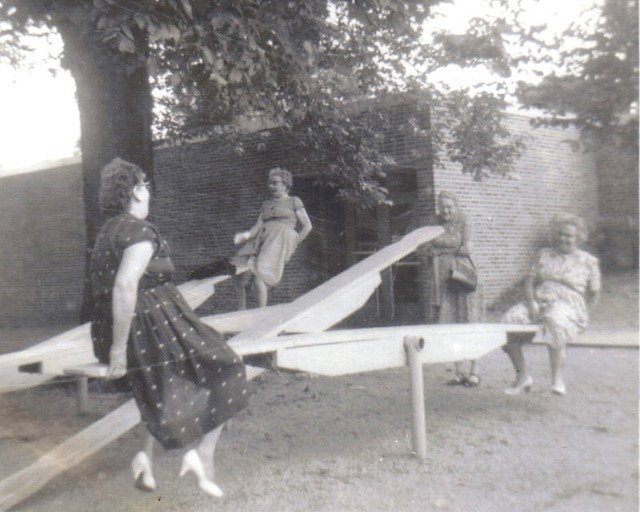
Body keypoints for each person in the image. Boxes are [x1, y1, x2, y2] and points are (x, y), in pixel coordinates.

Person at [90, 158, 248, 498]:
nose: (148, 193)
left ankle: (144, 458)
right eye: (144, 186)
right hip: (146, 325)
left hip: (124, 329)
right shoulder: (140, 232)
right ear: (134, 191)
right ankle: (203, 455)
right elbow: (123, 286)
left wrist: (115, 344)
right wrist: (118, 349)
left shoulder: (108, 230)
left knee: (162, 379)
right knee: (229, 366)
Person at [502, 213, 601, 396]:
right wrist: (531, 303)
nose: (563, 238)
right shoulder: (543, 254)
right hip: (540, 299)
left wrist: (586, 314)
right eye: (561, 234)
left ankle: (557, 379)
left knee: (555, 320)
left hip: (568, 302)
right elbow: (529, 282)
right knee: (508, 321)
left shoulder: (588, 261)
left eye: (569, 235)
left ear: (578, 237)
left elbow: (594, 292)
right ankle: (522, 376)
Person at [231, 167, 312, 309]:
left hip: (278, 242)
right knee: (240, 273)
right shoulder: (266, 204)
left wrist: (293, 243)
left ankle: (262, 314)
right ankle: (240, 313)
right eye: (270, 183)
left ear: (285, 184)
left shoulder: (294, 201)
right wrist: (245, 236)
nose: (271, 186)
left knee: (260, 278)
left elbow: (307, 226)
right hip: (261, 240)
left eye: (275, 183)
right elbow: (257, 227)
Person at [424, 191, 481, 387]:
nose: (446, 210)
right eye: (442, 207)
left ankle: (474, 372)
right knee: (451, 323)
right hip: (443, 279)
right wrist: (436, 250)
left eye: (449, 207)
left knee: (469, 322)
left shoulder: (464, 220)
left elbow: (467, 249)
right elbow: (426, 248)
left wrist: (440, 250)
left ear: (456, 206)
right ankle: (459, 372)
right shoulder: (435, 221)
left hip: (462, 277)